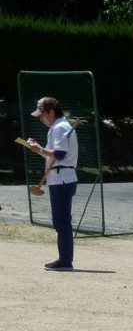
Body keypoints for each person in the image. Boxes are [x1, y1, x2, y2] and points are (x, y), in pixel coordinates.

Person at [25, 97, 79, 271]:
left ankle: (65, 261)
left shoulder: (61, 127)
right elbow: (52, 155)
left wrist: (39, 149)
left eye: (42, 115)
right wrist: (37, 148)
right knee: (61, 221)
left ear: (51, 112)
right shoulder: (57, 128)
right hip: (60, 178)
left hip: (62, 178)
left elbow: (60, 155)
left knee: (61, 221)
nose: (41, 119)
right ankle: (64, 259)